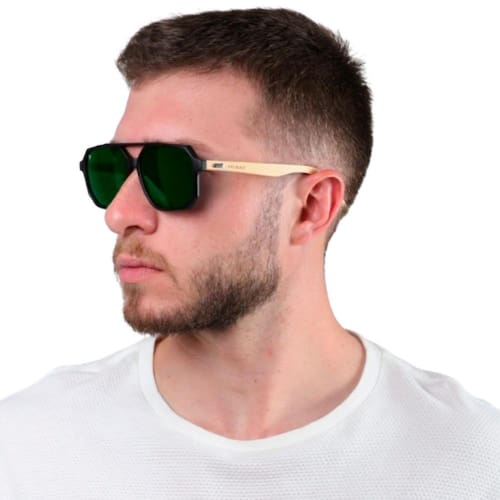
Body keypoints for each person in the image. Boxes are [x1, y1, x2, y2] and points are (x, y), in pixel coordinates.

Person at [0, 7, 498, 499]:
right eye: (112, 168)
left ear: (310, 207)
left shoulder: (473, 464)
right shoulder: (27, 448)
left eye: (171, 171)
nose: (119, 214)